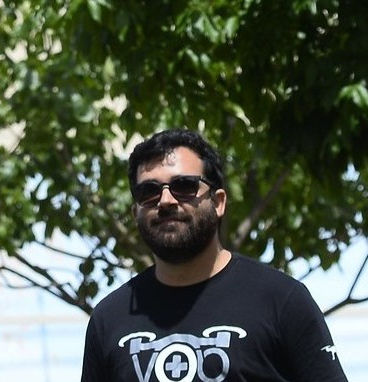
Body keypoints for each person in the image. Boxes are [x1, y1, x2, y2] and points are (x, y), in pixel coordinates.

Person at [80, 128, 349, 382]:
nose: (166, 200)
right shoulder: (108, 319)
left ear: (218, 203)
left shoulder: (282, 300)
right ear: (135, 213)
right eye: (148, 191)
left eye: (184, 186)